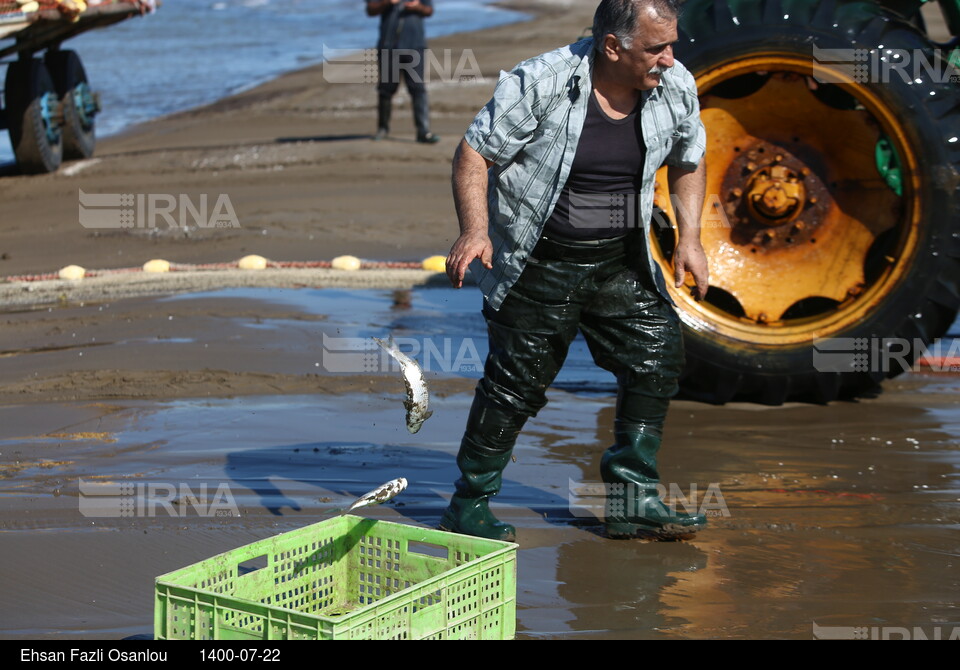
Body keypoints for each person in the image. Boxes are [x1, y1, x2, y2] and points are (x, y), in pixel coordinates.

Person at [439, 0, 709, 541]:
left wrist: (691, 238)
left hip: (618, 260)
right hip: (540, 261)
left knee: (657, 358)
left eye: (672, 44)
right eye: (656, 48)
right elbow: (474, 153)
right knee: (514, 386)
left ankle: (633, 498)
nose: (669, 59)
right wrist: (474, 230)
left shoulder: (675, 84)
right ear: (614, 46)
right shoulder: (543, 81)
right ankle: (469, 503)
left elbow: (689, 157)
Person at [365, 0, 440, 143]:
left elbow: (429, 10)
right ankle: (382, 128)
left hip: (415, 46)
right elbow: (370, 10)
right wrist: (387, 2)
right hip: (388, 47)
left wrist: (417, 7)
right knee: (386, 88)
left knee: (417, 88)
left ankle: (423, 131)